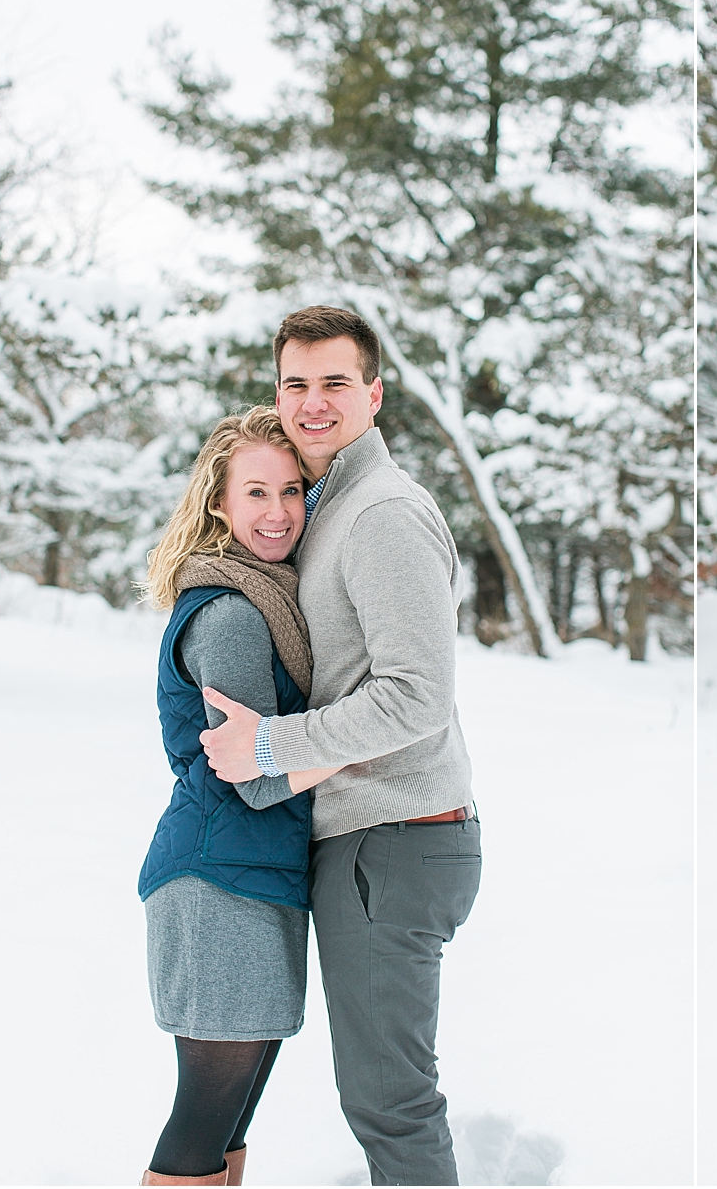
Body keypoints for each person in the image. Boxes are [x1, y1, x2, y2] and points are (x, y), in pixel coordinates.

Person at [198, 306, 481, 1187]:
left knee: (390, 1104)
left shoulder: (382, 512)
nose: (313, 403)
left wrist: (273, 745)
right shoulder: (330, 506)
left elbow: (418, 696)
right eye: (296, 384)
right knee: (381, 1096)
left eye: (335, 383)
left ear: (374, 394)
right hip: (374, 843)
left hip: (393, 842)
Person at [136, 407, 329, 1186]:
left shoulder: (270, 599)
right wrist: (361, 746)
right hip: (219, 882)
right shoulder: (232, 614)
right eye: (256, 492)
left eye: (292, 490)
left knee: (226, 1124)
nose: (278, 512)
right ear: (219, 502)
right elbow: (255, 778)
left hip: (254, 877)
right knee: (202, 1121)